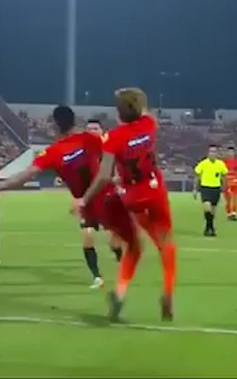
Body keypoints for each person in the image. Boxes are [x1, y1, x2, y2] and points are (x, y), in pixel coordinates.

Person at [0, 107, 139, 289]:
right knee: (88, 236)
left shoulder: (83, 141)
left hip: (104, 195)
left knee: (115, 241)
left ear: (54, 125)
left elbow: (24, 176)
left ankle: (119, 256)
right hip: (86, 202)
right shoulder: (59, 150)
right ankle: (97, 277)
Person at [78, 88, 177, 322]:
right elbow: (146, 111)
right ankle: (168, 292)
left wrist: (85, 198)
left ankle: (120, 293)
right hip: (154, 190)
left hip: (131, 196)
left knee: (133, 247)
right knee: (166, 243)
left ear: (119, 111)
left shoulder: (113, 137)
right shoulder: (149, 125)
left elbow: (104, 175)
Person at [84, 119, 124, 265]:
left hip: (109, 194)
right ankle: (95, 272)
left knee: (114, 236)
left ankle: (119, 254)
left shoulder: (110, 146)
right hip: (89, 196)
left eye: (95, 129)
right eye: (89, 129)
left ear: (102, 131)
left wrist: (118, 180)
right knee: (88, 231)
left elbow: (119, 165)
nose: (92, 131)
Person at [193, 145, 229, 237]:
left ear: (217, 154)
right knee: (207, 207)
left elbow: (224, 176)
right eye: (211, 152)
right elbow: (197, 176)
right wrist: (195, 189)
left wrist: (225, 187)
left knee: (213, 211)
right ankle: (211, 227)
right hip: (205, 188)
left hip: (216, 189)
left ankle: (208, 227)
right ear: (208, 153)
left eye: (214, 152)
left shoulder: (220, 164)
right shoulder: (203, 163)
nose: (212, 154)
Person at [222, 146, 237, 221]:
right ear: (227, 153)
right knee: (228, 200)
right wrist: (222, 182)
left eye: (232, 152)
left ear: (234, 153)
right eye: (229, 152)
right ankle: (229, 214)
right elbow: (221, 173)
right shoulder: (223, 162)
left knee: (235, 198)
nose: (230, 153)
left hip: (235, 182)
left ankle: (234, 214)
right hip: (227, 183)